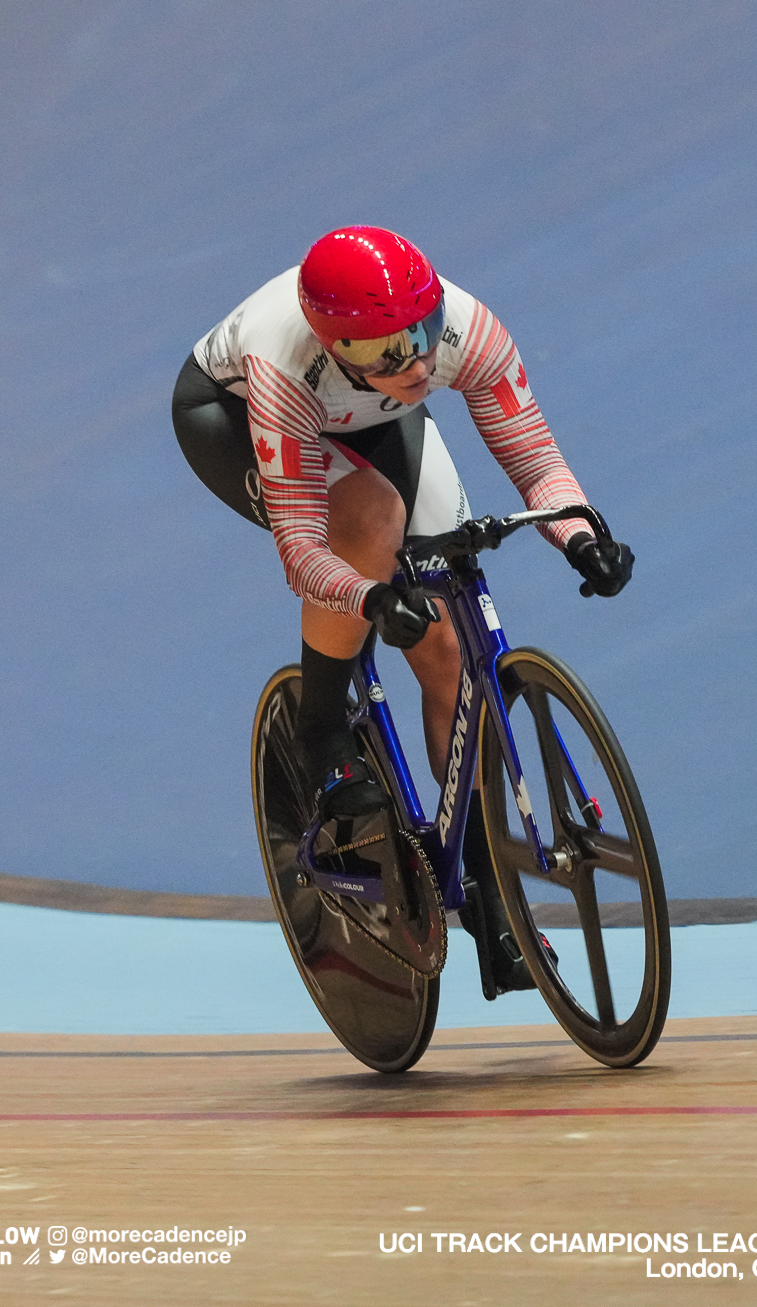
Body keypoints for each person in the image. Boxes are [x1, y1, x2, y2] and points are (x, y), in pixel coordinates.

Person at [172, 226, 632, 931]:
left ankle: (485, 884)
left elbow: (537, 462)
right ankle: (323, 730)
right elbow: (301, 549)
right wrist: (372, 597)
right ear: (334, 347)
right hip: (235, 416)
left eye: (421, 329)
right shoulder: (284, 364)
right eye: (387, 348)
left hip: (372, 416)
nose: (415, 358)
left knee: (448, 649)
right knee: (368, 517)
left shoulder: (464, 329)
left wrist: (580, 533)